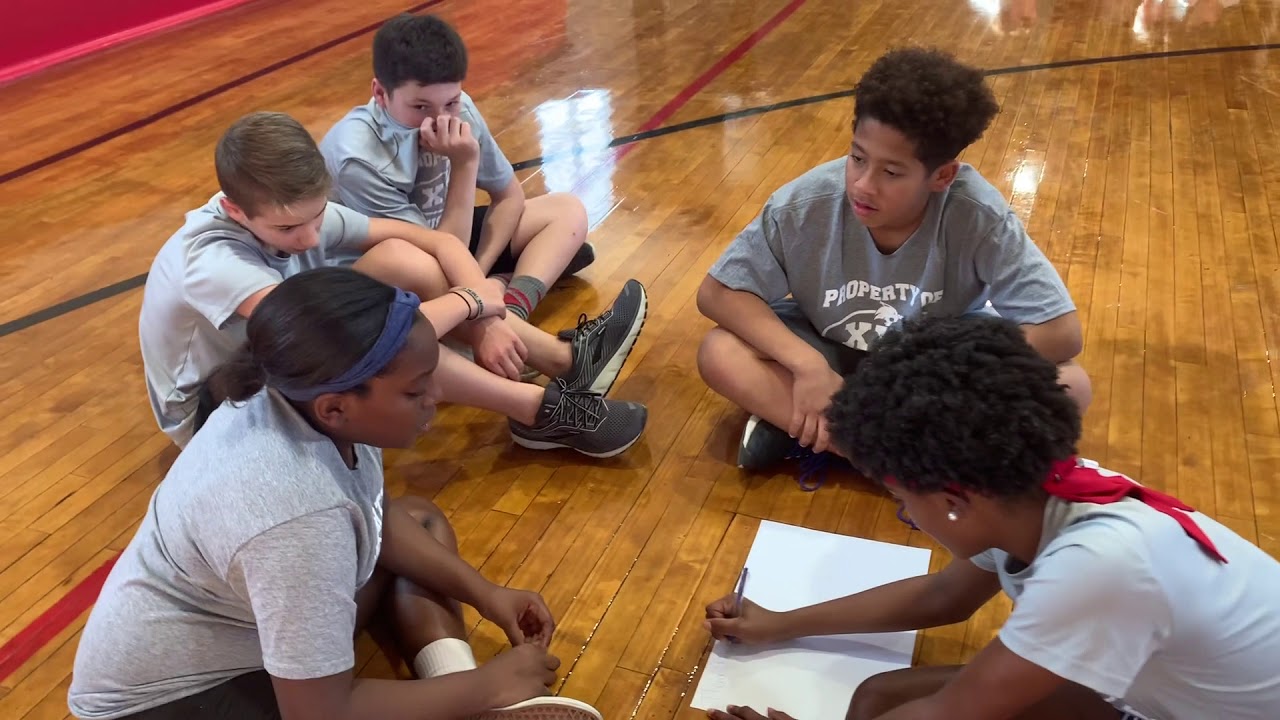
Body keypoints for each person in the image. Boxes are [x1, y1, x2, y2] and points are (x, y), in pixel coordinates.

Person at [71, 268, 605, 720]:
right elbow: (320, 712)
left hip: (239, 630)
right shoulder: (297, 516)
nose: (436, 397)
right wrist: (486, 688)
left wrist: (486, 594)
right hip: (166, 700)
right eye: (417, 390)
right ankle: (476, 701)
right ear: (336, 407)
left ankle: (460, 683)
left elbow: (375, 517)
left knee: (415, 522)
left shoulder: (304, 400)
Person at [700, 314, 1280, 720]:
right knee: (879, 700)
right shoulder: (1032, 490)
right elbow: (941, 599)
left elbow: (950, 713)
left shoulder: (1100, 568)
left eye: (904, 501)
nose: (905, 513)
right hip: (1165, 695)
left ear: (954, 499)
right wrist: (779, 622)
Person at [141, 111, 647, 458]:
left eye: (318, 216)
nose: (310, 236)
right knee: (387, 344)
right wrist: (468, 302)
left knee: (404, 260)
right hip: (216, 407)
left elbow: (439, 245)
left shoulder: (287, 208)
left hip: (282, 349)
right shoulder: (213, 260)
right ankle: (538, 410)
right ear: (234, 210)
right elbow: (341, 344)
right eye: (290, 230)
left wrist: (492, 321)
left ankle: (565, 363)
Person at [695, 47, 1090, 472]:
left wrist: (940, 375)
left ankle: (815, 432)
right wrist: (807, 365)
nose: (863, 185)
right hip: (830, 351)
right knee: (720, 351)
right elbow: (718, 293)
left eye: (891, 173)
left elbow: (1061, 332)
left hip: (927, 370)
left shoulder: (978, 216)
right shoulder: (805, 203)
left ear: (941, 176)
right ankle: (900, 465)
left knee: (1070, 385)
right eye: (857, 158)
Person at [320, 13, 594, 325]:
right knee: (419, 267)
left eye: (450, 103)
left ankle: (511, 306)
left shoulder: (461, 108)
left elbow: (509, 197)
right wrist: (465, 165)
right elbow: (435, 254)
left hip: (448, 239)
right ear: (380, 94)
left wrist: (475, 273)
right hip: (388, 267)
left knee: (566, 210)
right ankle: (507, 291)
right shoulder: (359, 158)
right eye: (420, 107)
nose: (440, 119)